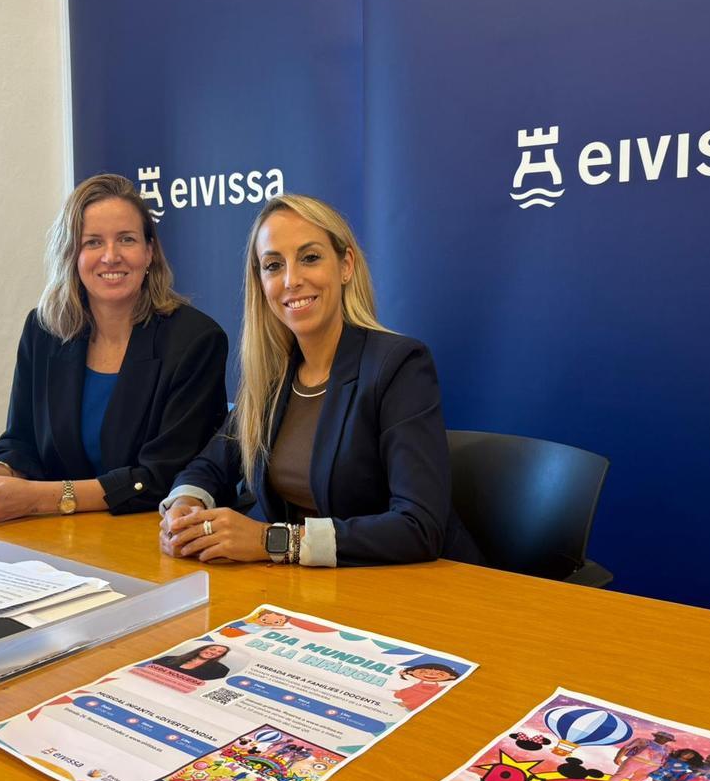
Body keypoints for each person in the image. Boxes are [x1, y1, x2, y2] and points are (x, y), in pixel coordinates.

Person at [157, 194, 481, 566]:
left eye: (309, 258)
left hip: (406, 584)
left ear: (346, 266)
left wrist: (272, 540)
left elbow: (419, 526)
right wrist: (185, 506)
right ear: (261, 282)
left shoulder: (399, 365)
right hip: (308, 587)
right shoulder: (273, 375)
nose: (291, 280)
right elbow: (210, 465)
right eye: (273, 265)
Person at [0, 174, 228, 521]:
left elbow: (162, 477)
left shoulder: (195, 340)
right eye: (93, 242)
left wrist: (39, 499)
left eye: (126, 239)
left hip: (146, 533)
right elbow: (20, 439)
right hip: (56, 537)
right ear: (71, 254)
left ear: (149, 251)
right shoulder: (44, 329)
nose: (111, 256)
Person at [599, 730, 675, 781]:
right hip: (635, 761)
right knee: (621, 774)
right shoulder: (643, 741)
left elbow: (668, 759)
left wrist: (663, 769)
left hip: (652, 766)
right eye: (661, 737)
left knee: (637, 779)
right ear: (656, 736)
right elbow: (626, 747)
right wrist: (618, 757)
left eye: (667, 739)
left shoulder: (668, 748)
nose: (663, 739)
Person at [392, 662, 461, 711]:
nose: (431, 674)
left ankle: (409, 703)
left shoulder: (440, 684)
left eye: (440, 674)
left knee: (422, 699)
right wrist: (404, 674)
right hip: (413, 691)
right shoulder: (418, 681)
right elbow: (410, 678)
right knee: (404, 693)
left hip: (426, 695)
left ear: (451, 676)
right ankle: (402, 695)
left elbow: (450, 682)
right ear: (411, 672)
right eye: (423, 672)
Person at [153, 644, 232, 681]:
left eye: (219, 652)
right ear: (202, 649)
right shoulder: (168, 659)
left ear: (221, 655)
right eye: (212, 649)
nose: (213, 652)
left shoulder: (221, 669)